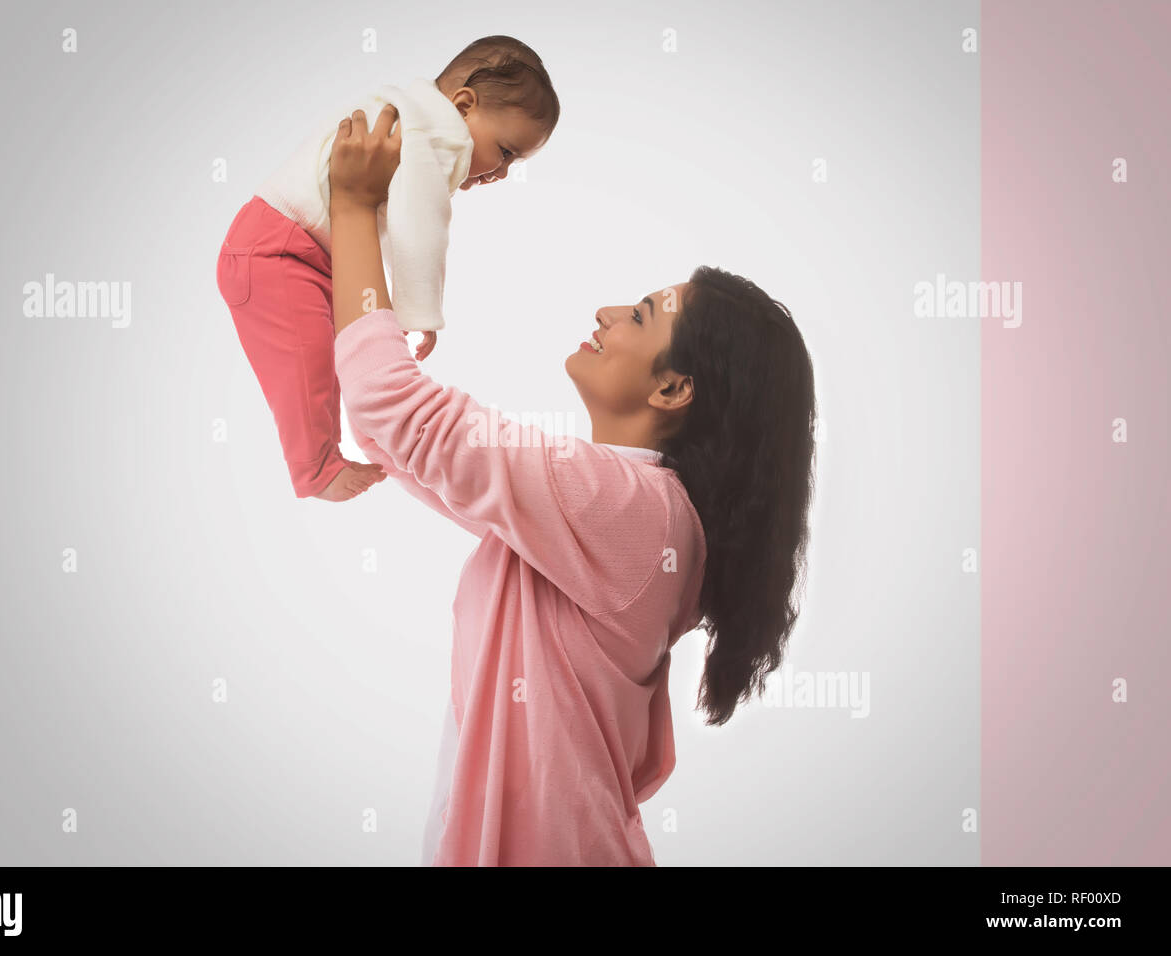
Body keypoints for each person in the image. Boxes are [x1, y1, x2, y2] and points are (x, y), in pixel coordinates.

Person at [327, 104, 818, 865]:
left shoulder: (630, 512)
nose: (607, 312)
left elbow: (392, 409)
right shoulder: (622, 516)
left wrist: (354, 207)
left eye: (643, 313)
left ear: (673, 388)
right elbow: (407, 441)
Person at [215, 36, 557, 502]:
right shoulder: (440, 135)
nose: (502, 172)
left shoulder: (416, 119)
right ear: (463, 105)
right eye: (506, 151)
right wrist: (420, 313)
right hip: (277, 253)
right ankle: (315, 470)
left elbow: (400, 224)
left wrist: (397, 306)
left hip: (295, 250)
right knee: (308, 362)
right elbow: (421, 226)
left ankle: (326, 456)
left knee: (340, 358)